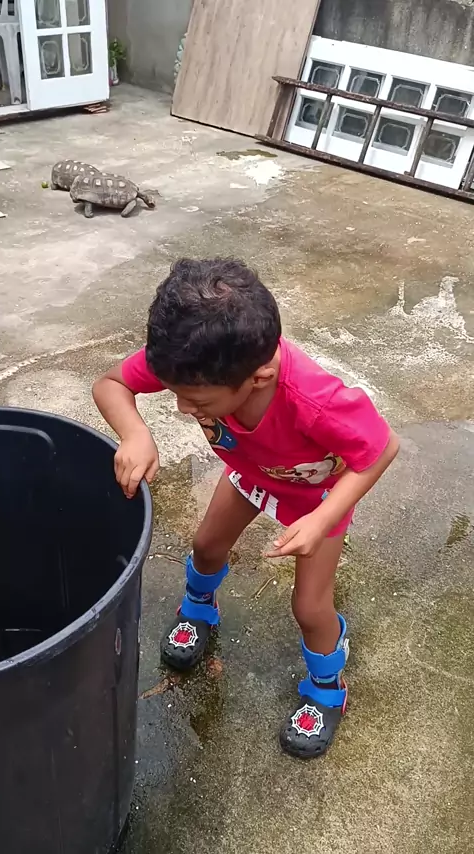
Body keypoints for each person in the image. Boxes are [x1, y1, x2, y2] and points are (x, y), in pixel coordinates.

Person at [93, 258, 399, 759]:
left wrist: (322, 520)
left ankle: (327, 688)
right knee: (207, 546)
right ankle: (198, 607)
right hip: (251, 473)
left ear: (259, 378)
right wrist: (134, 433)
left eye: (196, 401)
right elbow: (111, 384)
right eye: (175, 394)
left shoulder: (315, 400)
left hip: (317, 498)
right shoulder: (192, 358)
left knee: (310, 607)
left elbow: (382, 448)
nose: (182, 408)